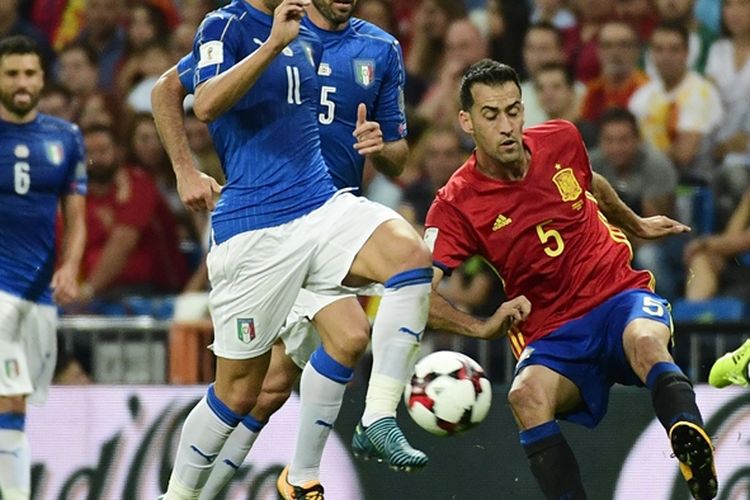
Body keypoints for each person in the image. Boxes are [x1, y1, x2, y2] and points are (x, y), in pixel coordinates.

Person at [159, 1, 434, 499]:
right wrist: (184, 169)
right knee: (242, 392)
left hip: (322, 205)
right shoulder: (228, 26)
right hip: (255, 230)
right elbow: (200, 104)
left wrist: (379, 144)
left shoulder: (320, 34)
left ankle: (375, 417)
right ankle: (179, 496)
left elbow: (394, 150)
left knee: (410, 259)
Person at [424, 59, 717, 500]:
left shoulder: (561, 137)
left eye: (513, 110)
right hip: (551, 328)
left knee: (645, 341)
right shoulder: (455, 204)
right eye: (491, 115)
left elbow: (589, 181)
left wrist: (634, 222)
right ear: (466, 121)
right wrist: (480, 327)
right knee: (525, 396)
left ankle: (692, 446)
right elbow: (414, 295)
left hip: (616, 292)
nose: (507, 126)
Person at [0, 35, 87, 500]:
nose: (22, 82)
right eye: (12, 73)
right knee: (8, 398)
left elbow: (76, 215)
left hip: (39, 293)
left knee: (19, 406)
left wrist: (70, 266)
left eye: (30, 73)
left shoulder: (64, 137)